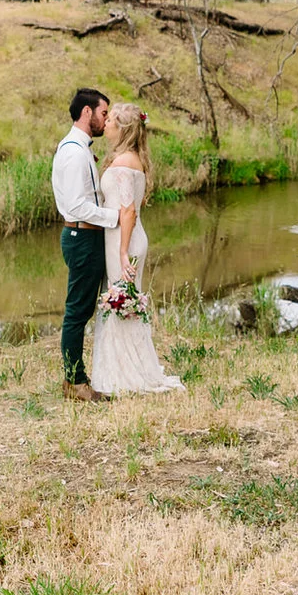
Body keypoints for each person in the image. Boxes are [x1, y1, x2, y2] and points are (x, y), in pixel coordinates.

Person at [91, 103, 184, 395]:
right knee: (125, 303)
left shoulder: (123, 164)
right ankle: (127, 368)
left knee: (121, 304)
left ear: (122, 128)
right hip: (129, 238)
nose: (105, 123)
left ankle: (125, 375)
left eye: (111, 121)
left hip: (124, 240)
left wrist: (121, 251)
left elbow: (128, 211)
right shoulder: (132, 159)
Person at [52, 87, 116, 402]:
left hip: (85, 235)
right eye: (104, 113)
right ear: (87, 112)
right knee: (77, 313)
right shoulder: (75, 152)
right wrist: (114, 216)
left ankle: (75, 380)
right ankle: (75, 382)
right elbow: (77, 206)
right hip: (82, 236)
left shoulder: (77, 148)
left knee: (82, 310)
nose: (106, 120)